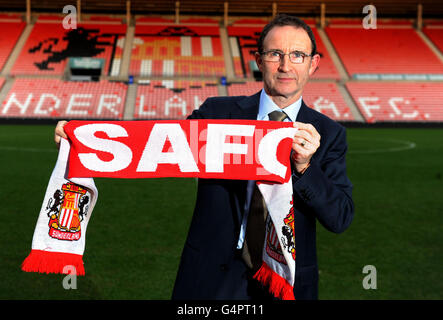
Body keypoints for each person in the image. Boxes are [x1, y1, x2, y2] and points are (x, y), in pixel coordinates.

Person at [54, 14, 354, 300]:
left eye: (297, 55)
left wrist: (305, 167)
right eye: (275, 53)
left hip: (286, 280)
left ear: (313, 64)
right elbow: (154, 143)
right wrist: (83, 140)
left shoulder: (328, 134)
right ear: (258, 60)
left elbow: (340, 217)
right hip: (213, 275)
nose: (286, 65)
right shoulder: (217, 113)